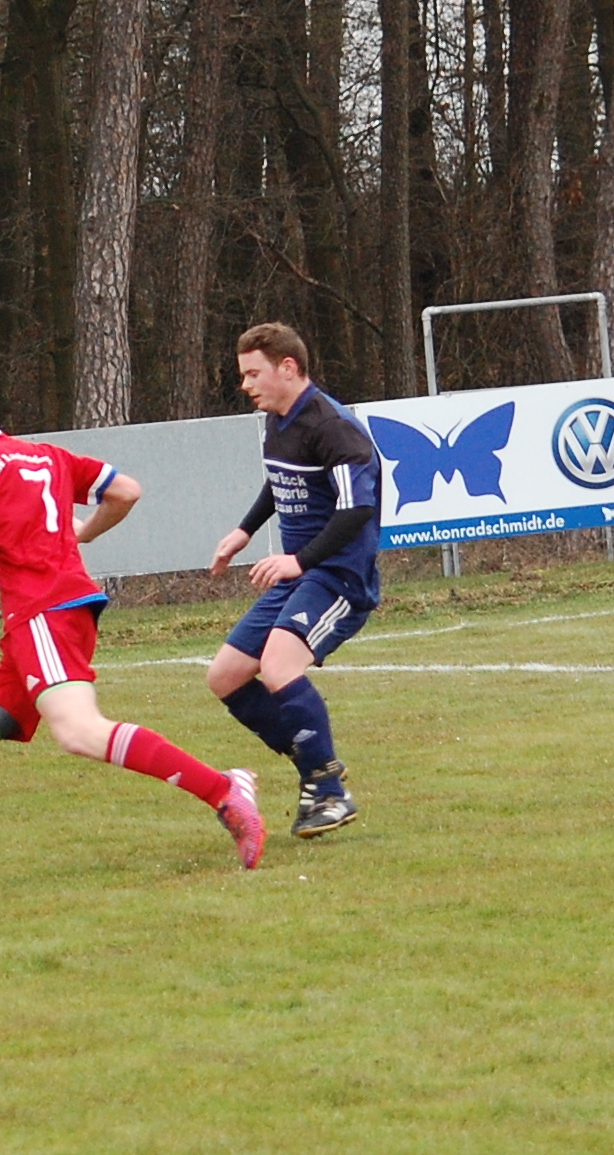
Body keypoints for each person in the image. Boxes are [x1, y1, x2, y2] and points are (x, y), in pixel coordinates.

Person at [0, 355, 266, 894]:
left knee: (79, 731)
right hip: (41, 626)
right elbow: (125, 490)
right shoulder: (44, 454)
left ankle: (225, 789)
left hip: (44, 616)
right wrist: (82, 534)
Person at [206, 323, 381, 838]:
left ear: (288, 368)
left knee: (279, 667)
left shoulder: (334, 427)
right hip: (299, 572)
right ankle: (317, 769)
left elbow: (357, 508)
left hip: (338, 577)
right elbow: (279, 480)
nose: (245, 385)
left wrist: (300, 561)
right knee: (225, 676)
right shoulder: (278, 420)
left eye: (252, 373)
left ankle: (329, 791)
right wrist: (244, 530)